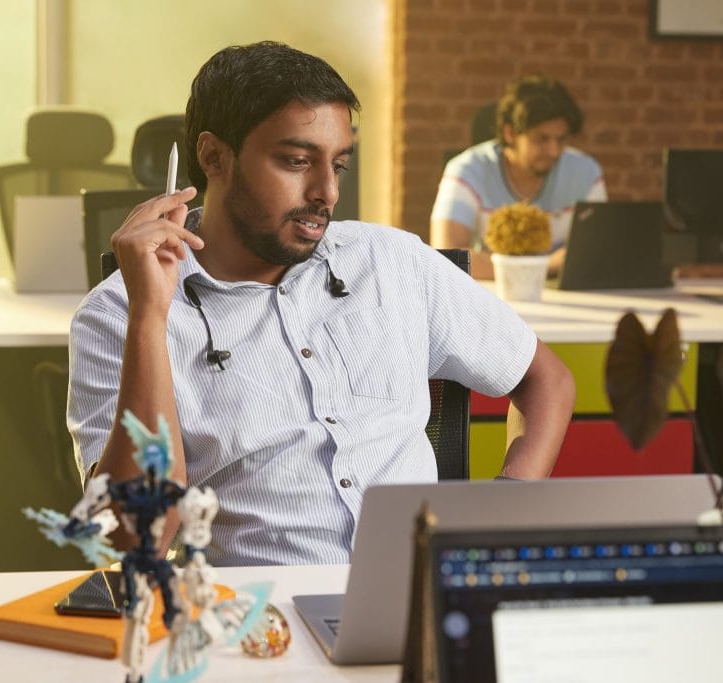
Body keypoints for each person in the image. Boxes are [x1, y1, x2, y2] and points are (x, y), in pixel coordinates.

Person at [68, 41, 576, 567]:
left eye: (338, 166)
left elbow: (546, 382)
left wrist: (503, 511)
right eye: (296, 161)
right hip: (259, 621)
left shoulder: (392, 261)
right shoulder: (116, 317)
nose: (326, 192)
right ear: (214, 157)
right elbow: (137, 539)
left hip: (416, 598)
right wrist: (150, 317)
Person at [430, 75, 607, 280]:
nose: (554, 151)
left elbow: (597, 254)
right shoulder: (466, 171)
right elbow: (447, 257)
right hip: (494, 298)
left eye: (561, 139)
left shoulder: (586, 172)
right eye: (541, 139)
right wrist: (543, 267)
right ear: (510, 133)